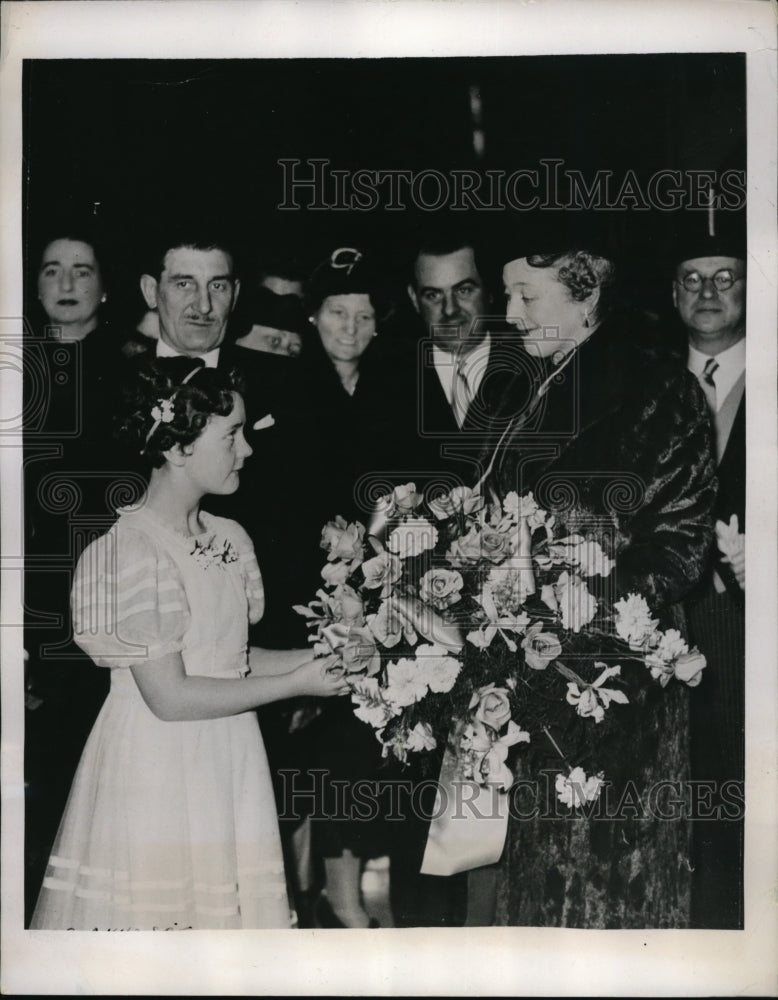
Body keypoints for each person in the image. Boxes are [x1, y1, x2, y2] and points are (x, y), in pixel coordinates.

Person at [30, 358, 349, 930]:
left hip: (228, 753)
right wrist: (294, 685)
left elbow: (231, 660)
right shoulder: (126, 552)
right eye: (231, 435)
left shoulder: (229, 537)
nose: (247, 449)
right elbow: (170, 696)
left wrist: (328, 656)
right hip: (160, 763)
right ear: (177, 449)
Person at [480, 213, 717, 927]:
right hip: (531, 676)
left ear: (586, 297)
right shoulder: (516, 386)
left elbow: (679, 548)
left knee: (608, 886)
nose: (511, 313)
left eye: (528, 296)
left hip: (619, 691)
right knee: (537, 883)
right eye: (509, 296)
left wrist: (586, 586)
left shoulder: (658, 390)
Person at [24, 224, 121, 923]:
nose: (66, 283)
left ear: (105, 287)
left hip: (98, 588)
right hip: (25, 587)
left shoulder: (127, 375)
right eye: (53, 270)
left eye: (81, 271)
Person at [672, 217, 746, 928]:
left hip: (754, 627)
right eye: (693, 280)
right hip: (670, 626)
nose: (709, 293)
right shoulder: (656, 383)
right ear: (674, 294)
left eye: (725, 278)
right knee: (690, 800)